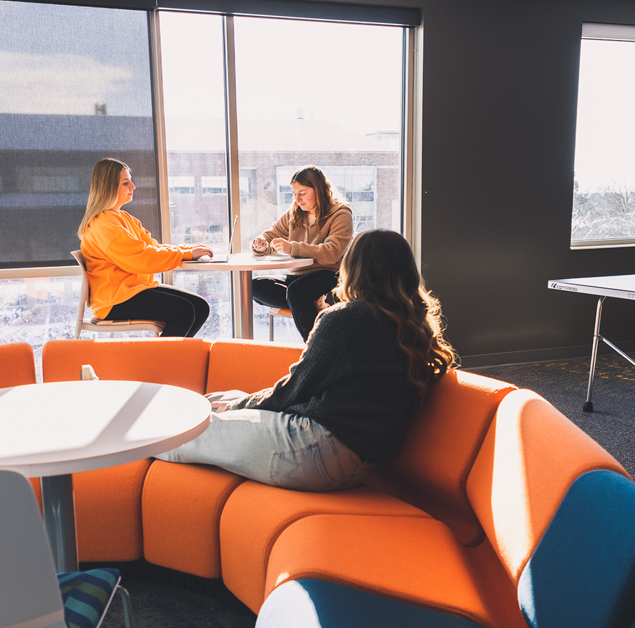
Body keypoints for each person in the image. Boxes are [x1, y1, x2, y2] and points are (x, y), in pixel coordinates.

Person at [155, 229, 456, 492]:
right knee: (222, 398)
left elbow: (294, 390)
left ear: (353, 269)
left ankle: (132, 440)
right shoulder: (413, 326)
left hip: (317, 451)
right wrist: (236, 402)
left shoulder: (347, 319)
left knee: (185, 429)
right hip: (356, 461)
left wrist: (237, 407)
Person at [78, 158, 212, 337]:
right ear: (108, 187)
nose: (132, 186)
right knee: (184, 311)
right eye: (125, 182)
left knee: (200, 307)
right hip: (114, 300)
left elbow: (152, 247)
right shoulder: (103, 224)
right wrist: (185, 254)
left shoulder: (126, 219)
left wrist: (188, 250)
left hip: (132, 290)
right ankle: (161, 364)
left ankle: (175, 360)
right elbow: (141, 258)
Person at [251, 165, 354, 340]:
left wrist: (292, 247)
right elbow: (270, 235)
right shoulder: (294, 214)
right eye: (294, 193)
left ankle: (315, 346)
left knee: (296, 292)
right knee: (254, 286)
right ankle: (316, 301)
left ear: (319, 190)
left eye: (302, 192)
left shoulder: (340, 214)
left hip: (329, 275)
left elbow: (332, 253)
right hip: (297, 278)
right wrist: (259, 244)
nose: (297, 198)